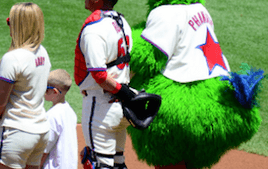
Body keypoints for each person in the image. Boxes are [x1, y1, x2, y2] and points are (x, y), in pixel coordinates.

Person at [127, 0, 265, 168]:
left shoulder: (164, 13)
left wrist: (125, 39)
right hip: (222, 104)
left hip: (180, 110)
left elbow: (147, 57)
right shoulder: (201, 10)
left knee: (167, 155)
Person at [0, 2, 51, 169]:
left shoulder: (13, 58)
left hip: (16, 133)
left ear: (18, 25)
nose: (9, 25)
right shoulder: (42, 53)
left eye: (10, 21)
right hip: (40, 132)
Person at [74, 0, 134, 168]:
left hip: (101, 106)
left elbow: (99, 74)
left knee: (98, 164)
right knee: (118, 163)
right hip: (119, 107)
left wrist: (122, 91)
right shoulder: (121, 22)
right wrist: (125, 93)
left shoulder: (94, 28)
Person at [40, 69, 78, 169]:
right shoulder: (70, 111)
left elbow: (44, 150)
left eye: (45, 88)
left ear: (54, 92)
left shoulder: (52, 116)